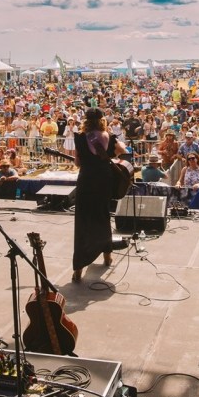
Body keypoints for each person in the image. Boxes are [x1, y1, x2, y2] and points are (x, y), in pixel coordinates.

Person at [72, 108, 128, 283]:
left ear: (86, 120)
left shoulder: (80, 138)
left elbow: (77, 162)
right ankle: (107, 257)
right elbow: (123, 149)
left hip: (87, 180)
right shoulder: (108, 137)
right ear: (102, 120)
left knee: (83, 220)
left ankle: (78, 268)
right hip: (104, 181)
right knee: (103, 216)